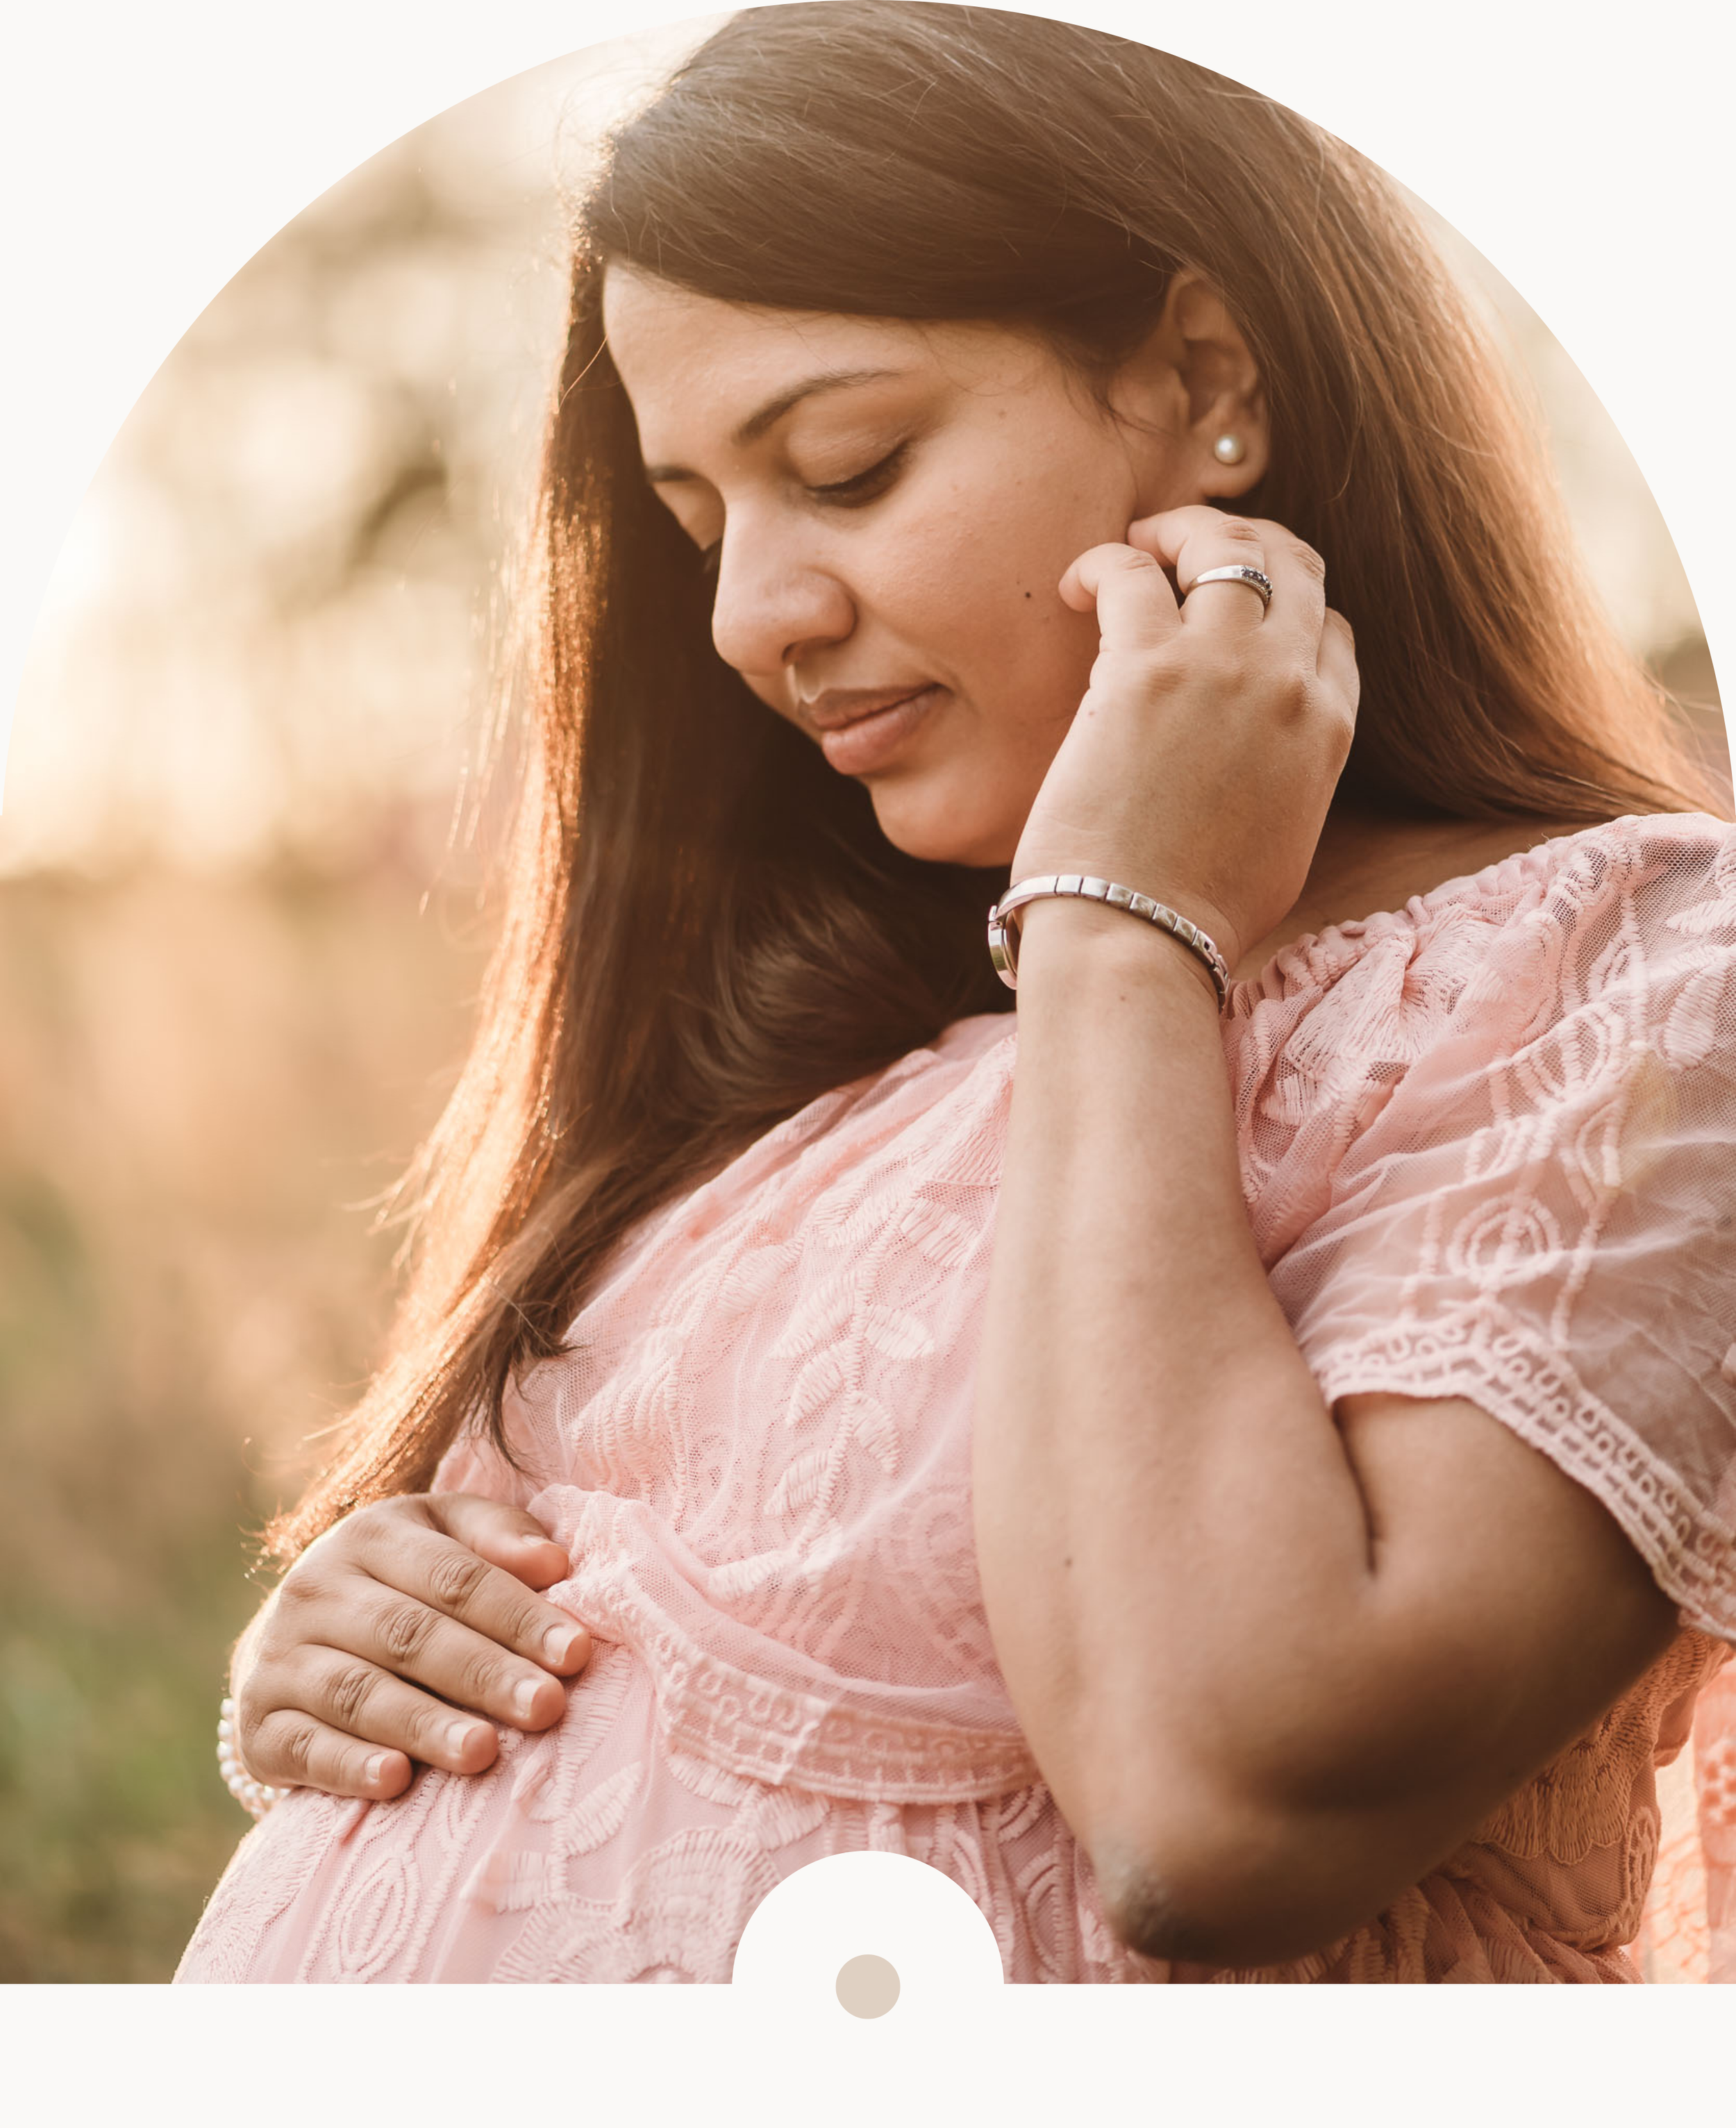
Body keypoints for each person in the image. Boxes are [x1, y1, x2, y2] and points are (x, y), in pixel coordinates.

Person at [175, 3, 1736, 1984]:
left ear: (1202, 375)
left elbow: (1217, 1806)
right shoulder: (803, 1037)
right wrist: (351, 1642)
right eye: (697, 523)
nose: (752, 617)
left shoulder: (1633, 988)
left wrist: (1118, 923)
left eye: (848, 463)